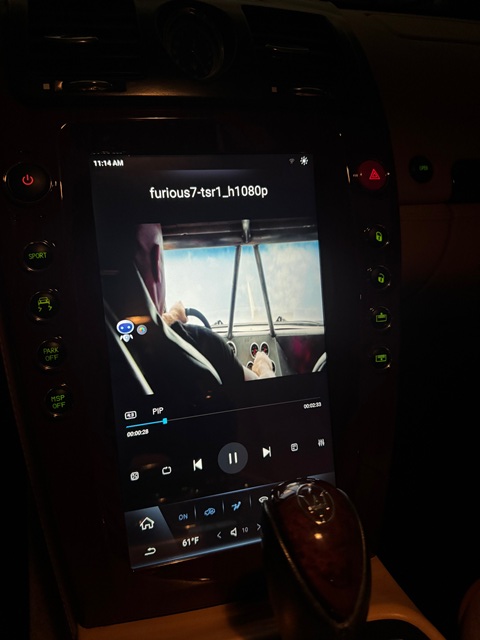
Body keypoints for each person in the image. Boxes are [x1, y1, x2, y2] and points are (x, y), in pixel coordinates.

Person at [100, 222, 275, 411]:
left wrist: (171, 317)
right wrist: (263, 365)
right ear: (156, 260)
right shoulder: (203, 344)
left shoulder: (113, 350)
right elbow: (262, 396)